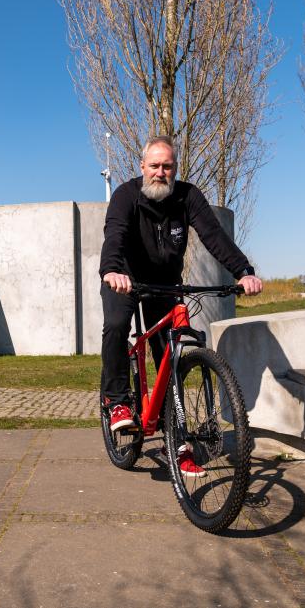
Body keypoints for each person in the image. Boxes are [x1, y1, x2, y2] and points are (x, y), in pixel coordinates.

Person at [99, 135, 263, 477]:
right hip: (125, 278)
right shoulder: (126, 195)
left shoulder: (188, 197)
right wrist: (112, 269)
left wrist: (243, 271)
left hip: (165, 284)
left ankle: (178, 442)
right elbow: (114, 233)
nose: (161, 172)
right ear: (143, 167)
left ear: (175, 168)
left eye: (167, 166)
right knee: (116, 325)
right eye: (154, 166)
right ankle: (116, 402)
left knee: (168, 361)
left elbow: (214, 236)